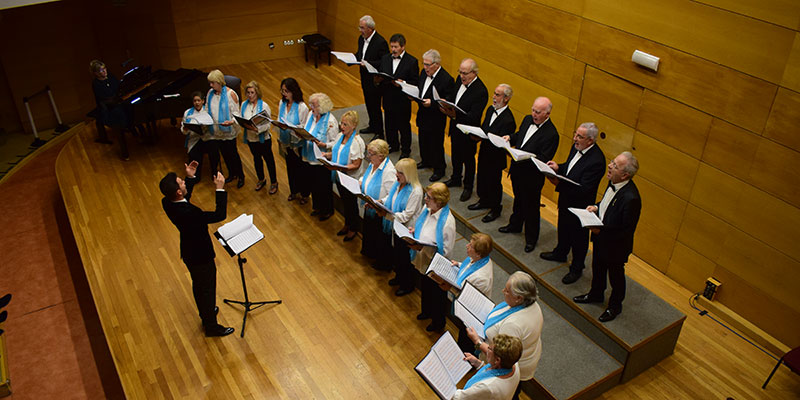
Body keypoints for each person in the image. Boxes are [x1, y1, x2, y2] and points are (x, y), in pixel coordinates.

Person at [159, 161, 234, 337]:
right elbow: (219, 215)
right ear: (178, 192)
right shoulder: (191, 213)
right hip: (201, 255)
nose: (184, 183)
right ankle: (211, 326)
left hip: (189, 252)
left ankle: (206, 312)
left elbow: (184, 199)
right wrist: (220, 189)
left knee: (199, 286)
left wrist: (190, 177)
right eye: (182, 182)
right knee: (207, 289)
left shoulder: (167, 202)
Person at [573, 151, 641, 322]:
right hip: (600, 238)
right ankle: (596, 294)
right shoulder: (612, 183)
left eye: (615, 166)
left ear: (625, 175)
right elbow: (607, 206)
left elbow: (626, 230)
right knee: (598, 267)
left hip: (616, 246)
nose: (609, 166)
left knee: (615, 276)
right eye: (612, 162)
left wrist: (600, 231)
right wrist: (596, 207)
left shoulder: (631, 198)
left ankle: (615, 306)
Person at [541, 122, 606, 284]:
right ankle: (560, 252)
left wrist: (558, 183)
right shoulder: (576, 147)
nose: (575, 138)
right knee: (563, 226)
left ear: (590, 140)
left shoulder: (597, 161)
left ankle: (577, 268)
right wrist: (558, 167)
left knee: (579, 238)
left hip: (580, 205)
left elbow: (584, 188)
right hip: (566, 199)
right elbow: (570, 168)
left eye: (580, 137)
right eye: (575, 134)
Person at [466, 271, 543, 399]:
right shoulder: (533, 305)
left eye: (507, 291)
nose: (503, 291)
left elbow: (499, 353)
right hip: (524, 357)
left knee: (509, 393)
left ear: (519, 298)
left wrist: (477, 341)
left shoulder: (513, 325)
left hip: (512, 366)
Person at [498, 97, 559, 253]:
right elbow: (521, 136)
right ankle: (515, 225)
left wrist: (524, 157)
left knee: (531, 208)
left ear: (547, 114)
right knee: (518, 200)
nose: (534, 114)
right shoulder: (527, 119)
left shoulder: (552, 134)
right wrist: (510, 137)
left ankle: (531, 238)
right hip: (517, 171)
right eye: (533, 110)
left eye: (538, 112)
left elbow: (544, 158)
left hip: (532, 177)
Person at [410, 182, 456, 332]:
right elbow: (422, 228)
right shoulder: (427, 210)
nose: (425, 199)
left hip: (437, 265)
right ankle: (426, 311)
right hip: (424, 259)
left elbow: (446, 251)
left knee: (437, 295)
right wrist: (414, 232)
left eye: (429, 197)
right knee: (426, 288)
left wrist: (423, 248)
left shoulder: (447, 222)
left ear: (439, 201)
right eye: (426, 195)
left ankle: (438, 322)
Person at [442, 59, 489, 202]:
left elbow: (474, 116)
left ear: (474, 73)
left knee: (468, 160)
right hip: (455, 126)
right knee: (455, 154)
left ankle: (468, 186)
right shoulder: (459, 80)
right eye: (460, 72)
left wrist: (455, 115)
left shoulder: (481, 91)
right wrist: (446, 102)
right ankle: (456, 178)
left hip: (469, 132)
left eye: (465, 73)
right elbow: (454, 97)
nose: (462, 76)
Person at [468, 84, 516, 223]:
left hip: (495, 158)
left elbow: (503, 143)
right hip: (484, 152)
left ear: (506, 99)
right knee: (482, 178)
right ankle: (483, 200)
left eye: (498, 95)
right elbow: (485, 128)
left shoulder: (509, 119)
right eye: (494, 93)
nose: (494, 97)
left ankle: (495, 208)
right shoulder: (490, 110)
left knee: (493, 183)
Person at [381, 158, 424, 295]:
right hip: (396, 225)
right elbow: (390, 198)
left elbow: (407, 215)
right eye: (397, 171)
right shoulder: (398, 184)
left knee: (405, 258)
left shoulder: (416, 191)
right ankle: (399, 277)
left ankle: (407, 284)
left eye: (400, 172)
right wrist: (381, 202)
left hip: (407, 229)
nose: (396, 174)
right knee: (398, 255)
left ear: (408, 174)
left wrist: (387, 215)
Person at [321, 110, 366, 241]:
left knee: (351, 204)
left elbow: (356, 164)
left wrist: (340, 167)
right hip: (339, 176)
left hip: (350, 178)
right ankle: (347, 223)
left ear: (354, 126)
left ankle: (353, 227)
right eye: (342, 123)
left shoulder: (357, 142)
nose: (342, 126)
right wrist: (326, 155)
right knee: (345, 202)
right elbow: (336, 152)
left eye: (345, 124)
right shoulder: (340, 136)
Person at [414, 49, 455, 182]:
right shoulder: (423, 73)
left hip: (436, 118)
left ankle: (439, 169)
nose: (425, 67)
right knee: (423, 139)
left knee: (436, 144)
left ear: (436, 64)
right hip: (423, 114)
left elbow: (448, 100)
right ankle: (426, 160)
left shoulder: (447, 79)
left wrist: (432, 103)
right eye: (424, 64)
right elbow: (420, 88)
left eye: (428, 65)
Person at [377, 33, 419, 158]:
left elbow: (415, 82)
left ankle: (405, 149)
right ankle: (393, 144)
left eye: (396, 47)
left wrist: (403, 83)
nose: (393, 50)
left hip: (402, 100)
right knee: (389, 123)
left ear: (403, 47)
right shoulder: (385, 58)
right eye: (392, 47)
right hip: (388, 97)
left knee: (403, 126)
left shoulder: (411, 61)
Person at [360, 139, 397, 269]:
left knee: (380, 237)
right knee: (370, 232)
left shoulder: (389, 171)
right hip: (370, 205)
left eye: (371, 154)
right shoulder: (373, 163)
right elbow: (367, 177)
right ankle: (371, 253)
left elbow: (392, 194)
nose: (368, 156)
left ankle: (382, 262)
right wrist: (361, 182)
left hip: (380, 209)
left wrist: (379, 202)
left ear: (381, 156)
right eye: (368, 153)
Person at [301, 93, 339, 221]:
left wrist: (325, 145)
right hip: (309, 155)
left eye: (314, 105)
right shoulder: (310, 115)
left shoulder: (331, 121)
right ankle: (317, 207)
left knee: (323, 186)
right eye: (311, 104)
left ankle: (327, 210)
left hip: (322, 160)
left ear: (322, 107)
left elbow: (335, 143)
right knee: (313, 184)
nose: (311, 108)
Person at [205, 70, 244, 189]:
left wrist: (231, 121)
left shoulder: (230, 94)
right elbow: (207, 108)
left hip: (228, 131)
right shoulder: (210, 93)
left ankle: (241, 176)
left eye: (213, 83)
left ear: (219, 82)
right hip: (216, 131)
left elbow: (237, 114)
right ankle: (232, 174)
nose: (211, 85)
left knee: (233, 154)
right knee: (225, 155)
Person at [454, 334, 523, 400]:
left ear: (497, 360)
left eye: (489, 348)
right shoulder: (514, 365)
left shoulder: (487, 386)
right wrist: (477, 363)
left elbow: (459, 397)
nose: (487, 349)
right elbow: (491, 372)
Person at [240, 81, 278, 194]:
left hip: (263, 139)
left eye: (252, 92)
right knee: (257, 159)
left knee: (269, 160)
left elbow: (268, 124)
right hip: (251, 139)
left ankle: (274, 182)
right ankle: (261, 179)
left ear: (257, 93)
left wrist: (257, 129)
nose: (250, 95)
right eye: (248, 93)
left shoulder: (264, 106)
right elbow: (241, 118)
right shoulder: (244, 105)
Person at [276, 78, 310, 203]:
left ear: (293, 91)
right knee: (290, 168)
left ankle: (304, 194)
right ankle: (294, 190)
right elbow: (279, 118)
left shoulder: (302, 107)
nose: (284, 93)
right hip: (286, 141)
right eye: (282, 91)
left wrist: (292, 128)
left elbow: (304, 126)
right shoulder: (282, 103)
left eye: (287, 91)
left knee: (301, 169)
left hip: (298, 144)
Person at [355, 15, 389, 138]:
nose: (360, 30)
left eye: (362, 28)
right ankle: (373, 125)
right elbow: (360, 55)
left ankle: (379, 132)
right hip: (364, 77)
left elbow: (384, 62)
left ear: (370, 29)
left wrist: (368, 63)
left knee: (375, 105)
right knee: (369, 103)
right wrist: (351, 58)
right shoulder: (361, 39)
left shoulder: (380, 42)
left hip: (375, 79)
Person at [89, 60, 128, 159]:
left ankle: (131, 128)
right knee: (119, 113)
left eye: (104, 69)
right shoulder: (96, 84)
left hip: (116, 102)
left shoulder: (111, 77)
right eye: (101, 70)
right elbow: (104, 98)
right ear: (96, 73)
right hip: (107, 107)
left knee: (130, 107)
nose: (104, 71)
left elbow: (119, 88)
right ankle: (124, 150)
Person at [181, 91, 212, 179]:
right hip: (194, 139)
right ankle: (195, 176)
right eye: (195, 101)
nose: (197, 103)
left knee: (214, 152)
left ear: (203, 101)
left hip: (207, 138)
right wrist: (185, 129)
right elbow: (183, 130)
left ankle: (214, 172)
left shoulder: (208, 111)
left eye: (199, 100)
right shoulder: (188, 113)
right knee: (194, 155)